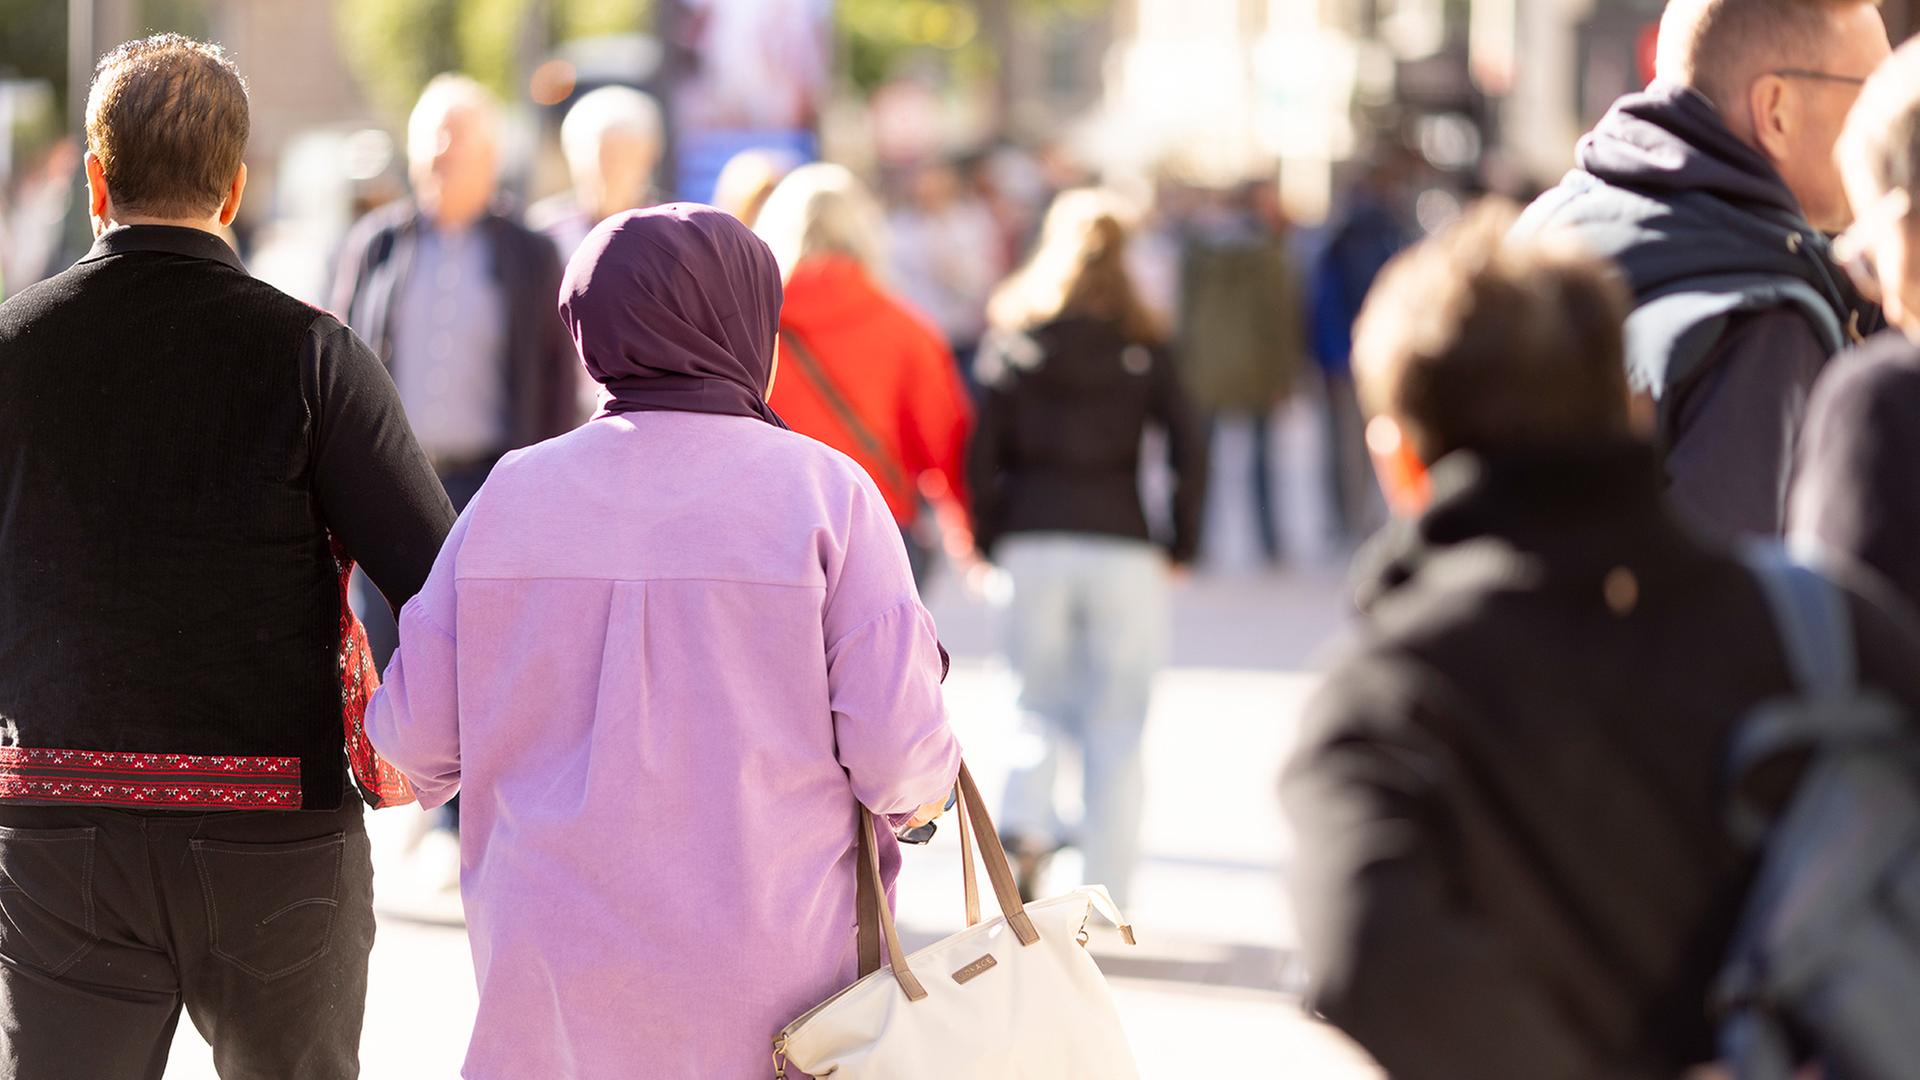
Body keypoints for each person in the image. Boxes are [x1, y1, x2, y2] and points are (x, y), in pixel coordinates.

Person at [1281, 202, 1920, 1078]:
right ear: (1631, 406)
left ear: (1400, 461)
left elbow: (1364, 956)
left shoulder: (1380, 701)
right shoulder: (1823, 629)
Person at [365, 204, 961, 1079]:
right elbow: (899, 756)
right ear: (749, 324)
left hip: (549, 980)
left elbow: (414, 740)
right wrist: (925, 804)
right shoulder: (826, 494)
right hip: (779, 992)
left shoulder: (510, 495)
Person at [0, 34, 454, 1079]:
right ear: (236, 187)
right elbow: (438, 579)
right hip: (274, 831)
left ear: (95, 180)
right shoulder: (311, 355)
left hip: (60, 824)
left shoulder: (12, 352)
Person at [1514, 0, 1889, 543]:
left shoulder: (1547, 223)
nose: (1882, 129)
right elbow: (1734, 589)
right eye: (1872, 95)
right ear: (1776, 110)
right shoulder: (1764, 322)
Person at [970, 189, 1209, 906]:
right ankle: (1107, 892)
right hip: (1122, 539)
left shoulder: (1018, 339)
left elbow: (982, 452)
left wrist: (988, 536)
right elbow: (1190, 446)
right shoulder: (1144, 343)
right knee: (1118, 722)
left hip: (1034, 536)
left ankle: (1024, 827)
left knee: (1032, 699)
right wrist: (1181, 541)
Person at [331, 73, 582, 669]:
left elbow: (555, 382)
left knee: (483, 666)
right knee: (388, 668)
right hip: (390, 488)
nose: (442, 152)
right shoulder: (376, 245)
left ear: (491, 155)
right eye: (432, 138)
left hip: (491, 494)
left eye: (457, 137)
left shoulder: (531, 254)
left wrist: (544, 494)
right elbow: (339, 365)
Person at [755, 163, 974, 585]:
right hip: (877, 526)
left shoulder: (752, 329)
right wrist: (964, 532)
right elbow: (944, 443)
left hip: (770, 530)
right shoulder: (906, 328)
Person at [1792, 39, 1920, 611]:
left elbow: (1827, 633)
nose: (1887, 305)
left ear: (1904, 222)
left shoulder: (1884, 402)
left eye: (1870, 254)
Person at [1178, 178, 1306, 566]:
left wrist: (1184, 367)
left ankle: (1195, 541)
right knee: (1261, 464)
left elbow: (1183, 316)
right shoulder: (1268, 254)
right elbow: (1281, 319)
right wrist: (1284, 376)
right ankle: (1269, 543)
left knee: (1201, 463)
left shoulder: (1197, 253)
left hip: (1206, 368)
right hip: (1257, 369)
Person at [889, 161, 1004, 387]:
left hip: (965, 330)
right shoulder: (899, 229)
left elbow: (986, 276)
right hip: (923, 329)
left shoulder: (972, 222)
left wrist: (955, 269)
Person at [527, 84, 664, 261]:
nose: (614, 166)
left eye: (626, 152)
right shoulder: (546, 231)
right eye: (604, 154)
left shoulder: (669, 228)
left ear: (649, 156)